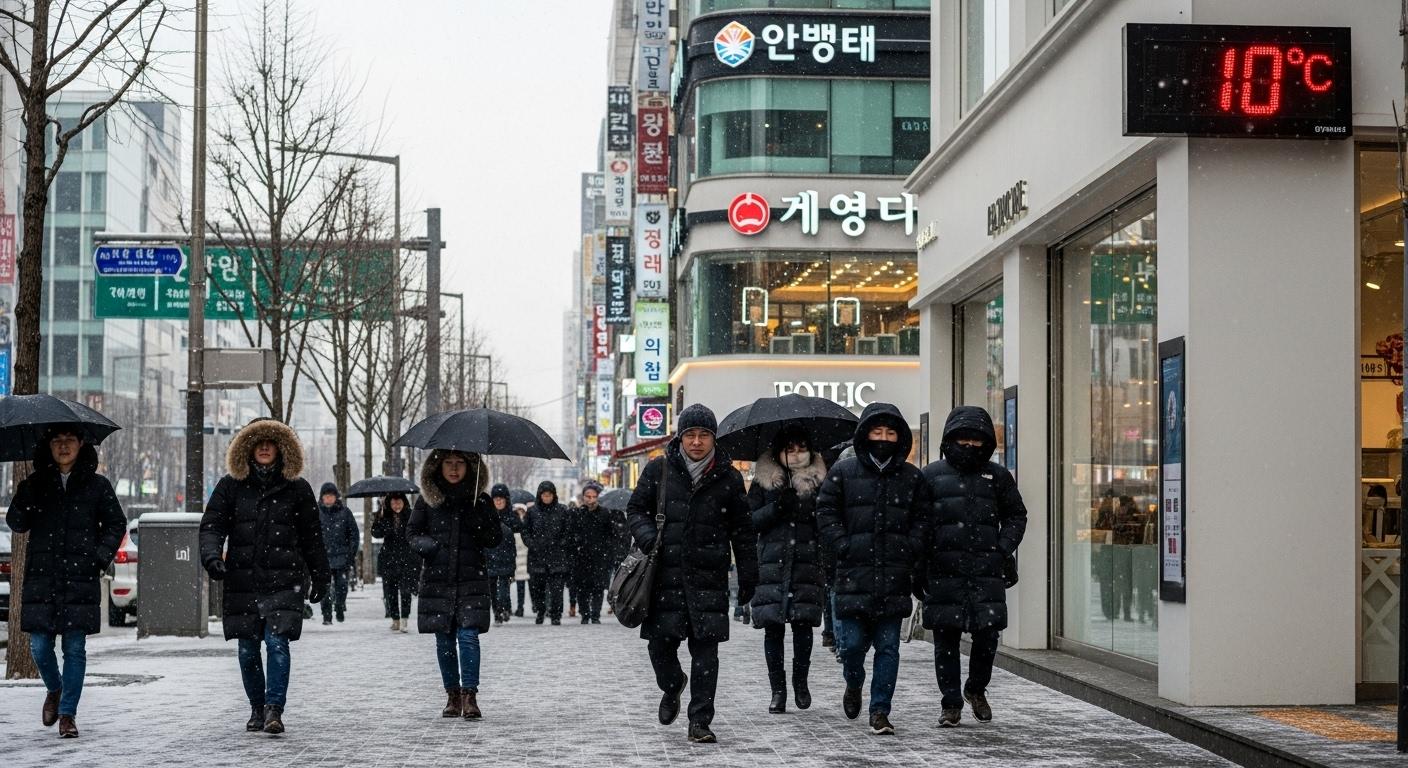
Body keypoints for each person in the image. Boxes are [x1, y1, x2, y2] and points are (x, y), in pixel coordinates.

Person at [627, 404, 758, 744]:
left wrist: (748, 574)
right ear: (680, 437)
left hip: (708, 576)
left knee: (706, 656)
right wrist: (647, 536)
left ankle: (700, 720)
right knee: (659, 648)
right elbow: (636, 509)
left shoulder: (728, 477)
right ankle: (672, 686)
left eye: (704, 435)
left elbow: (742, 530)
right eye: (690, 435)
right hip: (664, 575)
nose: (697, 442)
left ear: (713, 438)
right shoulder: (660, 470)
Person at [201, 418, 331, 735]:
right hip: (242, 581)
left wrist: (321, 575)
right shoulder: (230, 486)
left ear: (280, 448)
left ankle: (274, 709)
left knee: (277, 643)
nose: (263, 447)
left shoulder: (298, 490)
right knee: (247, 649)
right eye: (257, 442)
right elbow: (212, 526)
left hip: (284, 580)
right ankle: (256, 708)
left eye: (270, 442)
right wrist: (212, 557)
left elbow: (312, 537)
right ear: (246, 448)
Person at [816, 403, 930, 736]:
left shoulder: (911, 478)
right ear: (865, 434)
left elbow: (923, 519)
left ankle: (880, 710)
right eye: (877, 432)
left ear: (901, 437)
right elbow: (825, 512)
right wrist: (842, 544)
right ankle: (854, 683)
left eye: (890, 433)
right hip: (853, 575)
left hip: (894, 577)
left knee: (888, 647)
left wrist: (910, 547)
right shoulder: (844, 472)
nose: (883, 438)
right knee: (850, 646)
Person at [7, 427, 126, 739]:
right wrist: (25, 494)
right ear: (49, 446)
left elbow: (116, 523)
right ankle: (55, 689)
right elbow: (16, 523)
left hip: (79, 578)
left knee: (74, 648)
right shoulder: (36, 483)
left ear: (80, 444)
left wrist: (98, 557)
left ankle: (68, 714)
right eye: (57, 441)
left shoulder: (97, 485)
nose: (63, 446)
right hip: (42, 578)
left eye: (69, 440)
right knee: (39, 646)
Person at [916, 406, 1027, 728]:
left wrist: (1002, 548)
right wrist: (919, 566)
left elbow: (1016, 515)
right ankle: (950, 703)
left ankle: (975, 689)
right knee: (945, 642)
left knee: (987, 637)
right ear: (949, 438)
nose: (969, 445)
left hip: (985, 570)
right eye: (962, 438)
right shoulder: (931, 475)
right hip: (943, 570)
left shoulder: (998, 476)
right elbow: (919, 523)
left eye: (977, 440)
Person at [408, 449, 503, 720]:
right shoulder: (428, 500)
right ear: (437, 467)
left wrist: (479, 518)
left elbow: (494, 538)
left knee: (468, 636)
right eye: (448, 463)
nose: (453, 469)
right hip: (438, 579)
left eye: (459, 463)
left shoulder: (480, 500)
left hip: (471, 578)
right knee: (445, 639)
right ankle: (452, 695)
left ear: (470, 467)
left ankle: (469, 695)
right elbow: (413, 533)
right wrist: (430, 547)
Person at [748, 425, 827, 715]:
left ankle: (801, 682)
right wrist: (777, 508)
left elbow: (826, 521)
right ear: (778, 453)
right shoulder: (764, 483)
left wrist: (806, 505)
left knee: (803, 626)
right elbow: (750, 522)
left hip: (806, 563)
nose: (795, 455)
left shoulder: (821, 483)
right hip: (771, 564)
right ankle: (777, 690)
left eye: (801, 448)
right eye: (789, 449)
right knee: (773, 628)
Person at [525, 480, 573, 625]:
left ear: (553, 495)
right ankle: (540, 611)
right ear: (540, 496)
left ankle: (556, 614)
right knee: (537, 588)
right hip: (537, 557)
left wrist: (562, 543)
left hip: (557, 556)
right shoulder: (532, 512)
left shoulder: (562, 511)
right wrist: (532, 544)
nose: (546, 498)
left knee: (557, 589)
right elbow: (525, 531)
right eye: (544, 495)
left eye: (549, 495)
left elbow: (568, 530)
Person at [570, 481, 615, 624]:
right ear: (583, 497)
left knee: (598, 588)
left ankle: (595, 615)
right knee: (582, 589)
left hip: (599, 558)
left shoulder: (604, 513)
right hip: (581, 557)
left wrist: (607, 554)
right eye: (588, 496)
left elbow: (610, 535)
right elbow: (572, 535)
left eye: (593, 496)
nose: (591, 499)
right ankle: (585, 614)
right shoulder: (578, 514)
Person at [371, 492, 416, 632]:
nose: (397, 506)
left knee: (405, 591)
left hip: (406, 559)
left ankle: (404, 619)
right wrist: (380, 518)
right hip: (389, 559)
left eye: (399, 502)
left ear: (404, 503)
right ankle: (395, 619)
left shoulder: (411, 515)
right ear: (390, 504)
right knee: (390, 592)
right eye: (394, 503)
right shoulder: (384, 515)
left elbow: (417, 532)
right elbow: (375, 533)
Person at [317, 482, 360, 625]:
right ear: (322, 498)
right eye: (326, 496)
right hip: (323, 558)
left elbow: (354, 534)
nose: (329, 499)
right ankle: (326, 615)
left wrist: (350, 553)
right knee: (325, 588)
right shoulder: (316, 513)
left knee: (342, 586)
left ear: (336, 497)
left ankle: (340, 606)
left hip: (342, 557)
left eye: (331, 496)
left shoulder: (345, 512)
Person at [486, 484, 519, 625]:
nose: (498, 502)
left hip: (505, 558)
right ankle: (497, 612)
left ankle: (505, 607)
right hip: (490, 556)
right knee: (493, 589)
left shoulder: (512, 517)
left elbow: (517, 535)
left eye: (501, 499)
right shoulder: (487, 516)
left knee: (504, 589)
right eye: (495, 499)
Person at [513, 503, 530, 617]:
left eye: (521, 510)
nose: (519, 513)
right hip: (517, 560)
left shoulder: (528, 522)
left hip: (528, 558)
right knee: (520, 586)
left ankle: (535, 605)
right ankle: (520, 607)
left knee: (533, 587)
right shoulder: (514, 522)